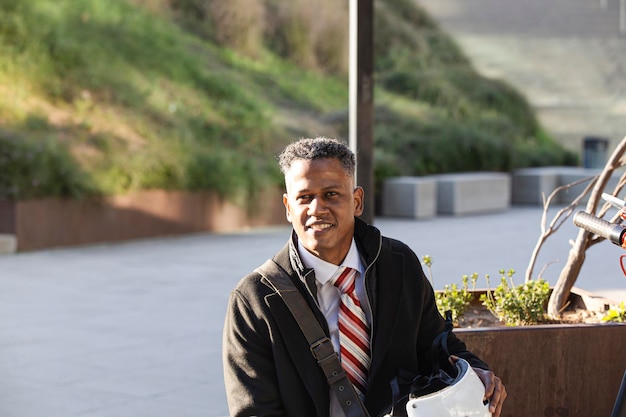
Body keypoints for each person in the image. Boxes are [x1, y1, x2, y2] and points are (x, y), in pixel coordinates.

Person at [223, 137, 507, 417]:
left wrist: (475, 373)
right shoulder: (254, 299)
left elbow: (437, 346)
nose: (316, 209)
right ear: (288, 207)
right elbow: (254, 410)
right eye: (304, 197)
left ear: (357, 201)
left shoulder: (399, 264)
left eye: (331, 194)